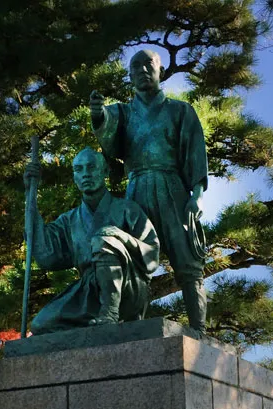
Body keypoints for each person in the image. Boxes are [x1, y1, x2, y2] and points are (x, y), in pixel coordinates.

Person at [90, 48, 209, 335]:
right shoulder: (124, 112)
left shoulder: (180, 110)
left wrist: (197, 195)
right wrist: (98, 114)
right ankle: (134, 327)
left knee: (187, 261)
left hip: (173, 188)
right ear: (129, 76)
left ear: (161, 72)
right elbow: (109, 137)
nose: (143, 70)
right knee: (134, 260)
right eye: (136, 66)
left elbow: (195, 153)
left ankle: (199, 329)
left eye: (149, 65)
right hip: (137, 189)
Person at [23, 147, 160, 335]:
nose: (85, 174)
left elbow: (152, 253)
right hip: (88, 292)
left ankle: (110, 312)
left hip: (128, 286)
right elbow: (46, 254)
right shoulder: (69, 220)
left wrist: (120, 237)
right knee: (41, 326)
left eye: (91, 167)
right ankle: (87, 342)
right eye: (79, 170)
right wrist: (30, 193)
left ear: (105, 172)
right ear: (74, 176)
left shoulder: (127, 208)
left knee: (104, 238)